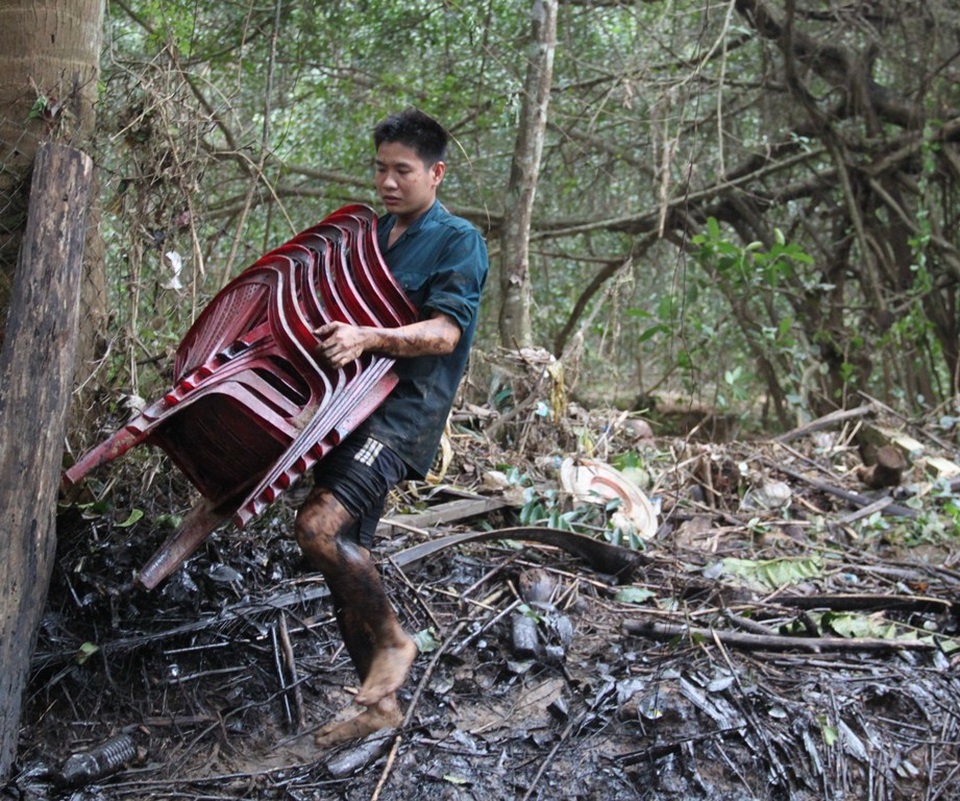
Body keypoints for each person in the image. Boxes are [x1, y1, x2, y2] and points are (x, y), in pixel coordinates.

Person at [295, 108, 488, 747]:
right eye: (380, 168)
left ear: (435, 173)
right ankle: (380, 708)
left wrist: (371, 337)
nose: (386, 182)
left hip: (402, 417)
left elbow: (443, 333)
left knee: (317, 528)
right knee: (346, 564)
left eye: (401, 170)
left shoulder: (458, 239)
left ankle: (397, 642)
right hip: (345, 415)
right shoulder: (372, 237)